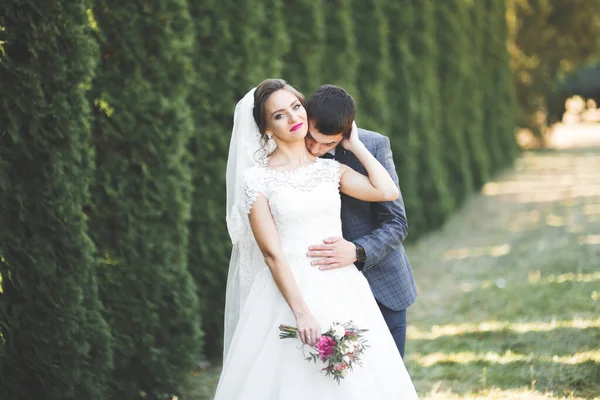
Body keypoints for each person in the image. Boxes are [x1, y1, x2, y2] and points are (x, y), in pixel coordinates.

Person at [214, 79, 417, 399]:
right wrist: (302, 311)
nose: (293, 118)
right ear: (266, 128)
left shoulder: (329, 169)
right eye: (279, 115)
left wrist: (354, 145)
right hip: (289, 291)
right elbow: (271, 254)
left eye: (296, 107)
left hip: (345, 286)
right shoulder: (256, 179)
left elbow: (388, 194)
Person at [304, 85, 417, 358]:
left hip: (380, 283)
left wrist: (356, 251)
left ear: (346, 133)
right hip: (320, 286)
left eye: (328, 143)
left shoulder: (374, 145)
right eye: (312, 138)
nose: (317, 149)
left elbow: (396, 223)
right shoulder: (290, 151)